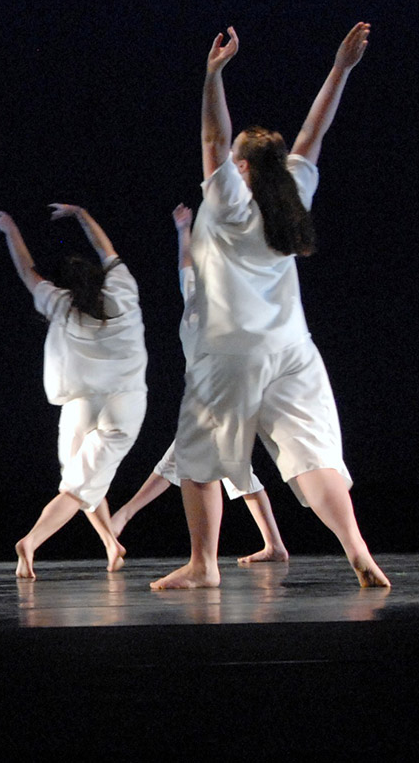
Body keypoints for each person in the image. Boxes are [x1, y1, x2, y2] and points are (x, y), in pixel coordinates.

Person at [151, 23, 389, 590]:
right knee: (312, 456)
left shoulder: (232, 201)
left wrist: (212, 76)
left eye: (236, 161)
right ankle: (356, 548)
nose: (227, 164)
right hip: (293, 352)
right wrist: (341, 69)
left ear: (245, 169)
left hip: (229, 354)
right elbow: (312, 133)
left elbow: (214, 138)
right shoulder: (293, 195)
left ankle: (203, 565)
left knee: (199, 454)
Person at [109, 205, 288, 565]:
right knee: (234, 470)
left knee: (187, 457)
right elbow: (185, 265)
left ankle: (125, 516)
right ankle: (274, 545)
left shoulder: (229, 309)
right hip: (207, 397)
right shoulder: (193, 297)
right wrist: (183, 229)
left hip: (225, 396)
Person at [0, 205, 148, 578]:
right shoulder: (123, 290)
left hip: (80, 403)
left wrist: (12, 229)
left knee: (81, 478)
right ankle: (29, 543)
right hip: (122, 405)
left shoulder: (61, 306)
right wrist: (81, 214)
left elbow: (27, 271)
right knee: (80, 485)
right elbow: (105, 248)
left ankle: (111, 544)